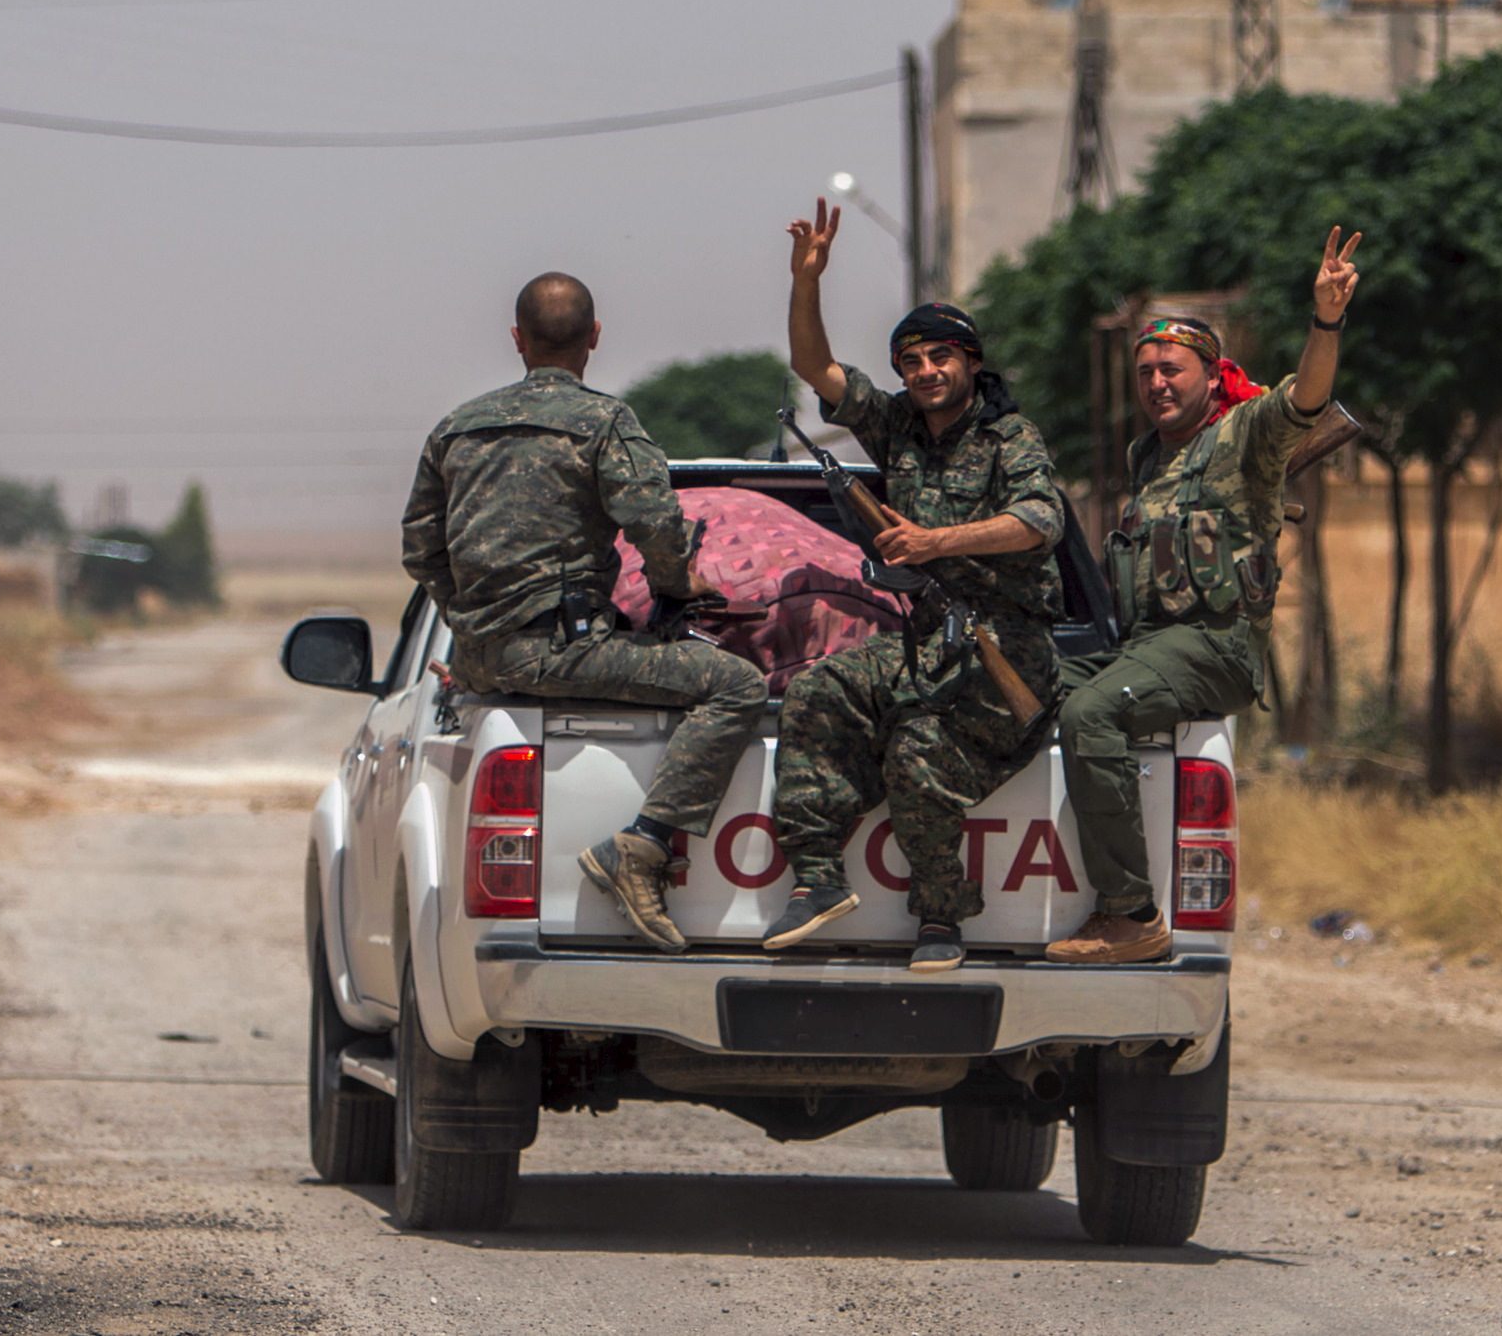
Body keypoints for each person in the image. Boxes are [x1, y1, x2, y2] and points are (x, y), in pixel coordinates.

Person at [401, 272, 768, 954]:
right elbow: (655, 525)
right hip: (563, 653)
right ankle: (644, 847)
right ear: (594, 338)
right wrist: (677, 584)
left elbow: (421, 550)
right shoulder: (605, 423)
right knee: (738, 684)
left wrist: (475, 621)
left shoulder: (456, 428)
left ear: (517, 339)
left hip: (482, 658)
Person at [761, 201, 1064, 974]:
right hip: (928, 642)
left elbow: (1039, 518)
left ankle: (940, 919)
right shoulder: (896, 426)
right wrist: (807, 282)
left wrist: (936, 542)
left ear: (970, 362)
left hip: (1009, 650)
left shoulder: (1009, 438)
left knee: (919, 750)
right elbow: (815, 370)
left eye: (940, 358)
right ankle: (819, 877)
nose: (926, 372)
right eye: (912, 361)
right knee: (817, 692)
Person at [1046, 227, 1363, 964]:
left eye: (1174, 369)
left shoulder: (1245, 434)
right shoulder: (1146, 457)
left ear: (1210, 374)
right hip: (1144, 646)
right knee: (1030, 682)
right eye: (1147, 370)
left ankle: (1129, 914)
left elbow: (1308, 398)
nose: (1158, 382)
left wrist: (1326, 320)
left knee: (1093, 713)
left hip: (1214, 645)